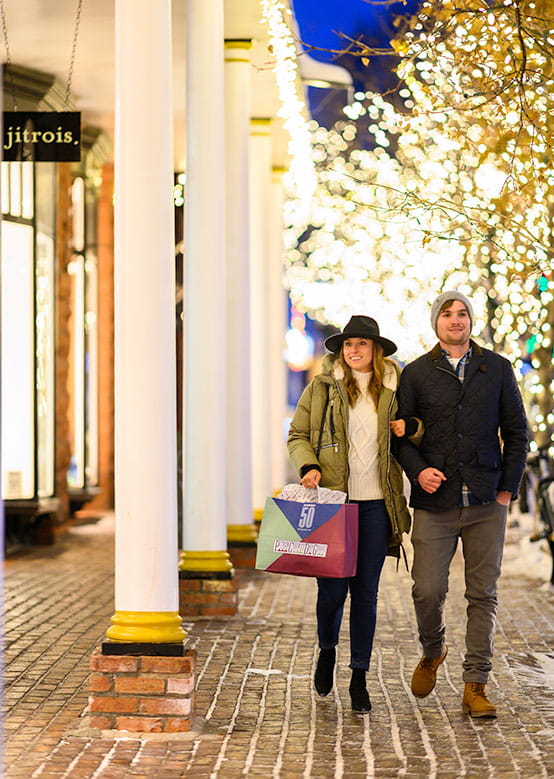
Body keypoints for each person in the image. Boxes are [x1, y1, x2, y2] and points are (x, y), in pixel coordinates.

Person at [395, 291, 528, 719]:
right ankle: (433, 650)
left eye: (462, 313)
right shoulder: (415, 373)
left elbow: (517, 432)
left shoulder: (498, 369)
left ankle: (476, 685)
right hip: (436, 501)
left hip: (487, 499)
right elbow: (400, 435)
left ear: (471, 320)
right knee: (427, 589)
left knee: (482, 594)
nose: (456, 320)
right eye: (447, 314)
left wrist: (508, 488)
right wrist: (418, 471)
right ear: (435, 323)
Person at [287, 315, 419, 713]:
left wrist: (409, 427)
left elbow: (420, 428)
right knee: (331, 594)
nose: (354, 350)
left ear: (375, 350)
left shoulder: (395, 390)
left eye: (362, 344)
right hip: (333, 504)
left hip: (377, 506)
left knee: (365, 595)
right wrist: (308, 465)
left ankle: (358, 675)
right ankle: (327, 649)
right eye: (348, 345)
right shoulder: (322, 389)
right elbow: (298, 434)